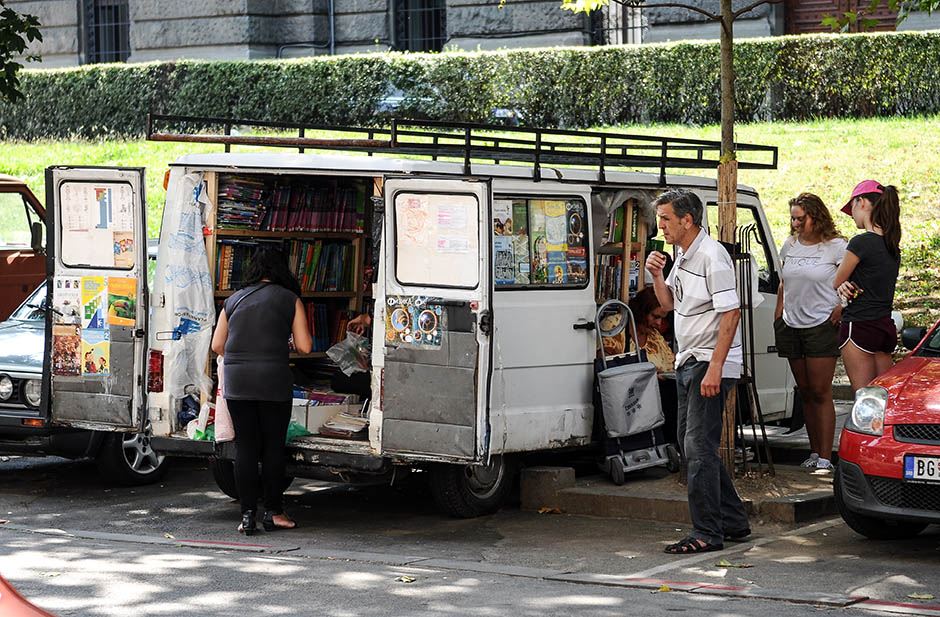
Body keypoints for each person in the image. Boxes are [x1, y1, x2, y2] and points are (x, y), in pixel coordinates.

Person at [646, 189, 749, 554]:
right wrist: (657, 275)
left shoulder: (712, 255)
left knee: (698, 446)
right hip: (689, 359)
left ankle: (707, 531)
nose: (661, 226)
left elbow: (731, 313)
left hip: (710, 359)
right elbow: (669, 304)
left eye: (666, 219)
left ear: (687, 220)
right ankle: (733, 520)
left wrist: (716, 367)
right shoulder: (683, 253)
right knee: (691, 444)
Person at [211, 246, 313, 536]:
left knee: (245, 447)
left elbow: (217, 345)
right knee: (272, 447)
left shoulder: (233, 300)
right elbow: (305, 346)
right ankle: (274, 512)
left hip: (238, 381)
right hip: (272, 380)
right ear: (282, 269)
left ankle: (246, 516)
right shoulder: (290, 299)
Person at [773, 193, 847, 473]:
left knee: (820, 391)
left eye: (800, 219)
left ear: (816, 217)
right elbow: (783, 282)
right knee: (804, 391)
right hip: (791, 323)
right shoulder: (790, 244)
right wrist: (778, 313)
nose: (795, 224)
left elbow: (852, 281)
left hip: (821, 323)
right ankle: (814, 451)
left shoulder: (836, 247)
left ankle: (827, 456)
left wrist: (841, 307)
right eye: (792, 218)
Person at [834, 180, 902, 392]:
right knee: (883, 398)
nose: (852, 214)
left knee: (864, 398)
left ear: (861, 202)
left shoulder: (860, 243)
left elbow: (836, 281)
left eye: (852, 207)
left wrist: (843, 285)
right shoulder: (892, 245)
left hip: (859, 326)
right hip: (884, 328)